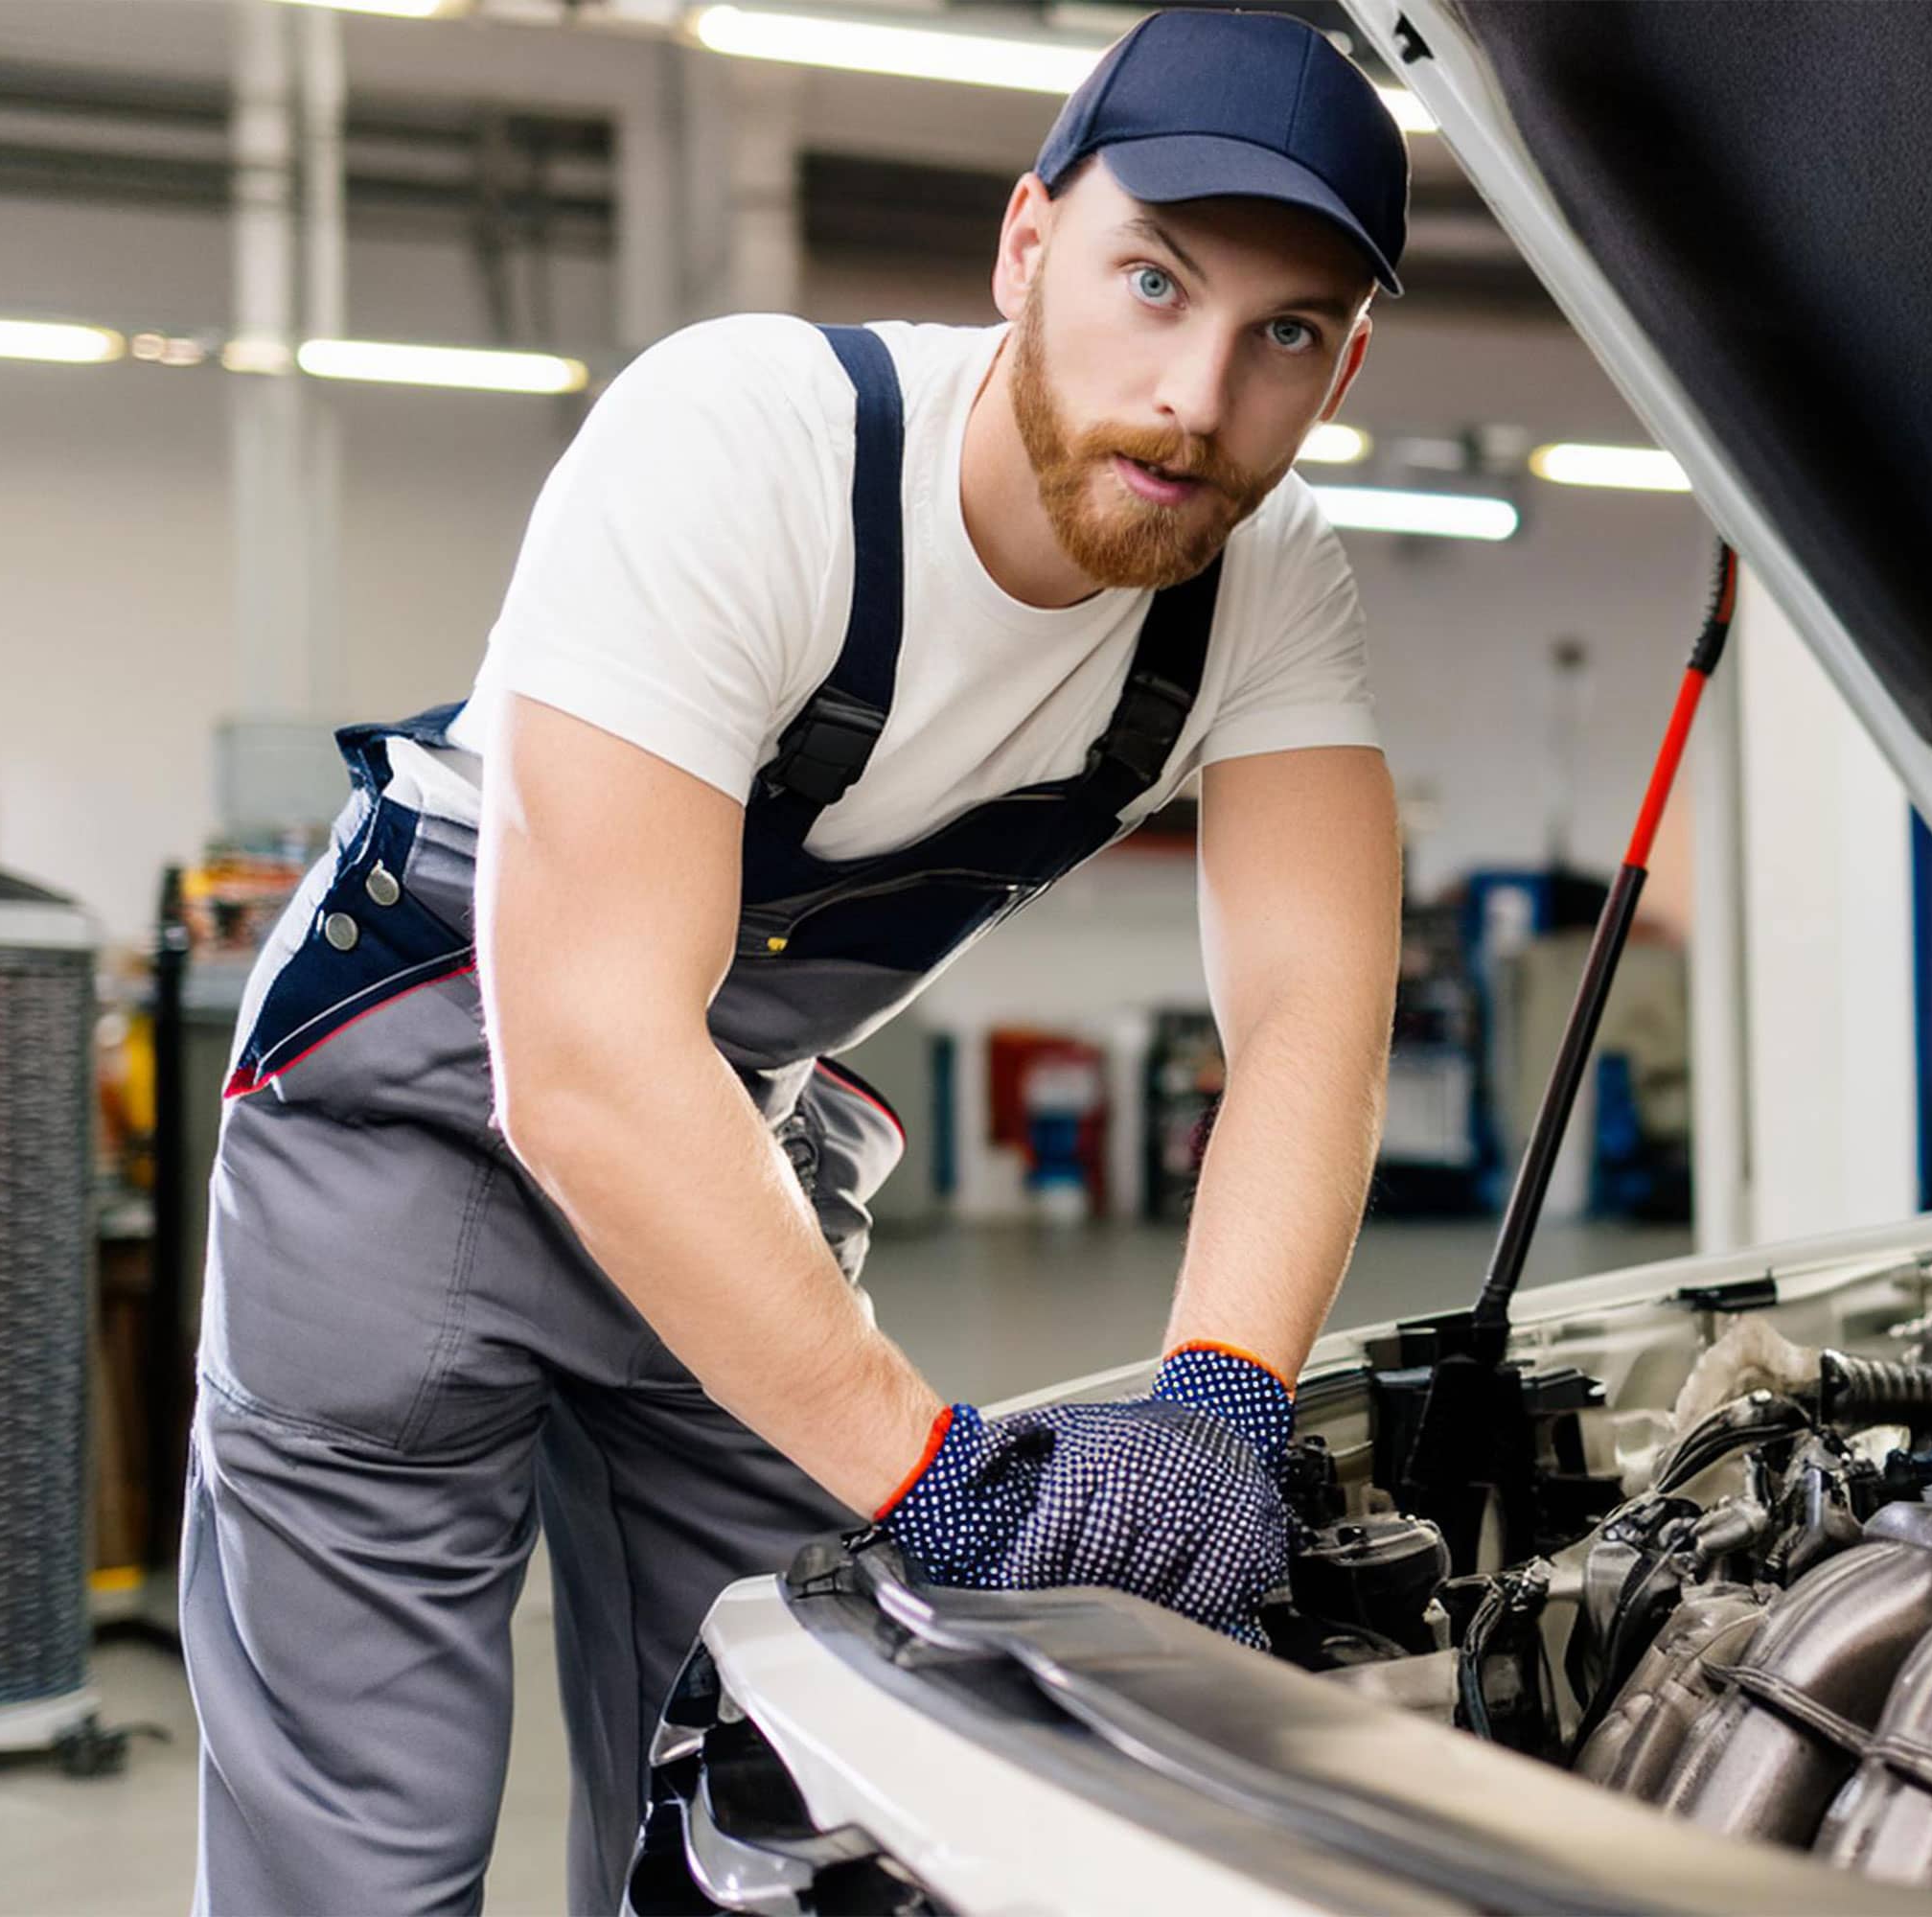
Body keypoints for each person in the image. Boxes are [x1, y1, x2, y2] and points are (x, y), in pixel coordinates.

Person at [182, 11, 1409, 1910]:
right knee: (355, 1846)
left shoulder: (1271, 582)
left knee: (767, 1793)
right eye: (1150, 281)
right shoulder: (749, 443)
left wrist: (1224, 1395)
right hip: (417, 1114)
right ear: (1026, 246)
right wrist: (938, 1478)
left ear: (1346, 365)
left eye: (1286, 333)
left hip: (725, 1165)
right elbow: (580, 1054)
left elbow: (1311, 1013)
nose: (1195, 393)